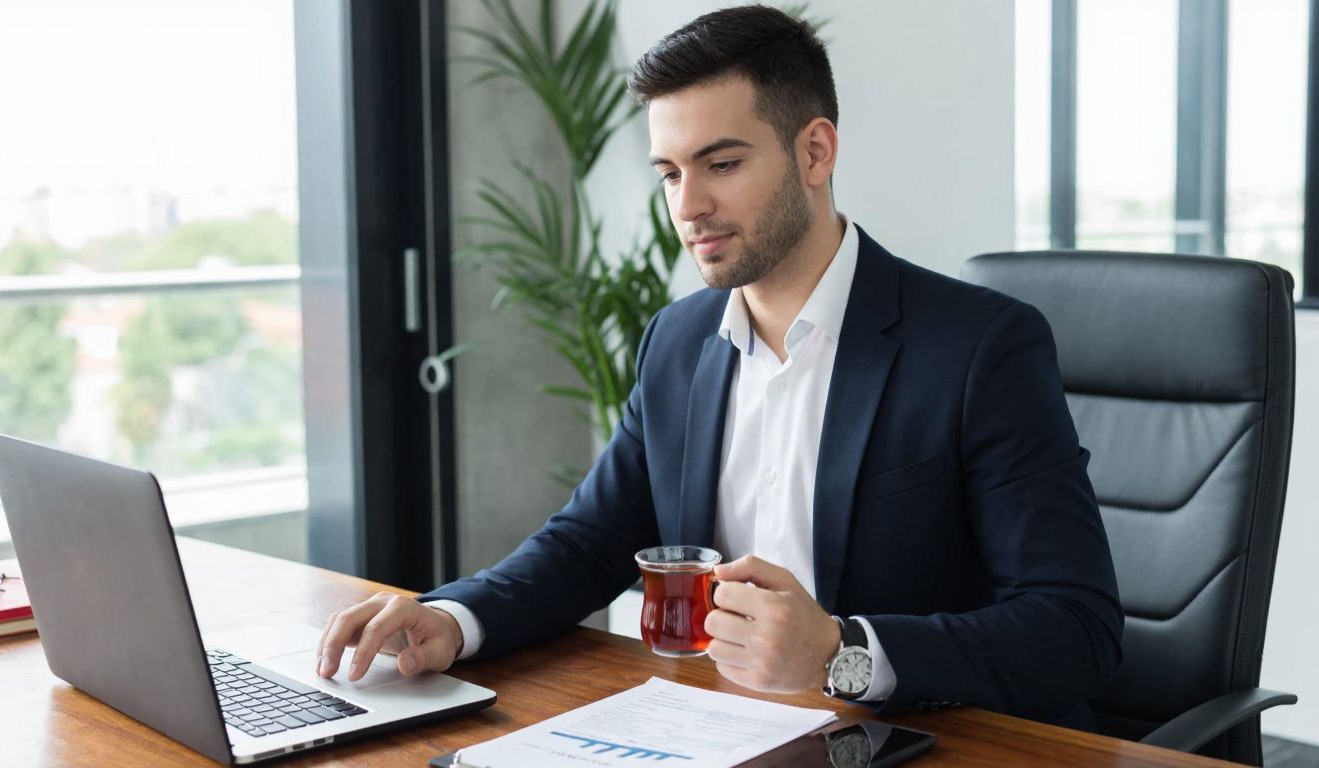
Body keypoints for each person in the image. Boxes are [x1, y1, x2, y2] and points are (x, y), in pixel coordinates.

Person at [317, 4, 1122, 730]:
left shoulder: (981, 346)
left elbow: (1075, 629)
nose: (686, 206)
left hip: (916, 740)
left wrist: (842, 653)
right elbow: (590, 543)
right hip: (715, 727)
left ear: (815, 150)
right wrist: (454, 619)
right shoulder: (677, 341)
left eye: (722, 164)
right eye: (669, 172)